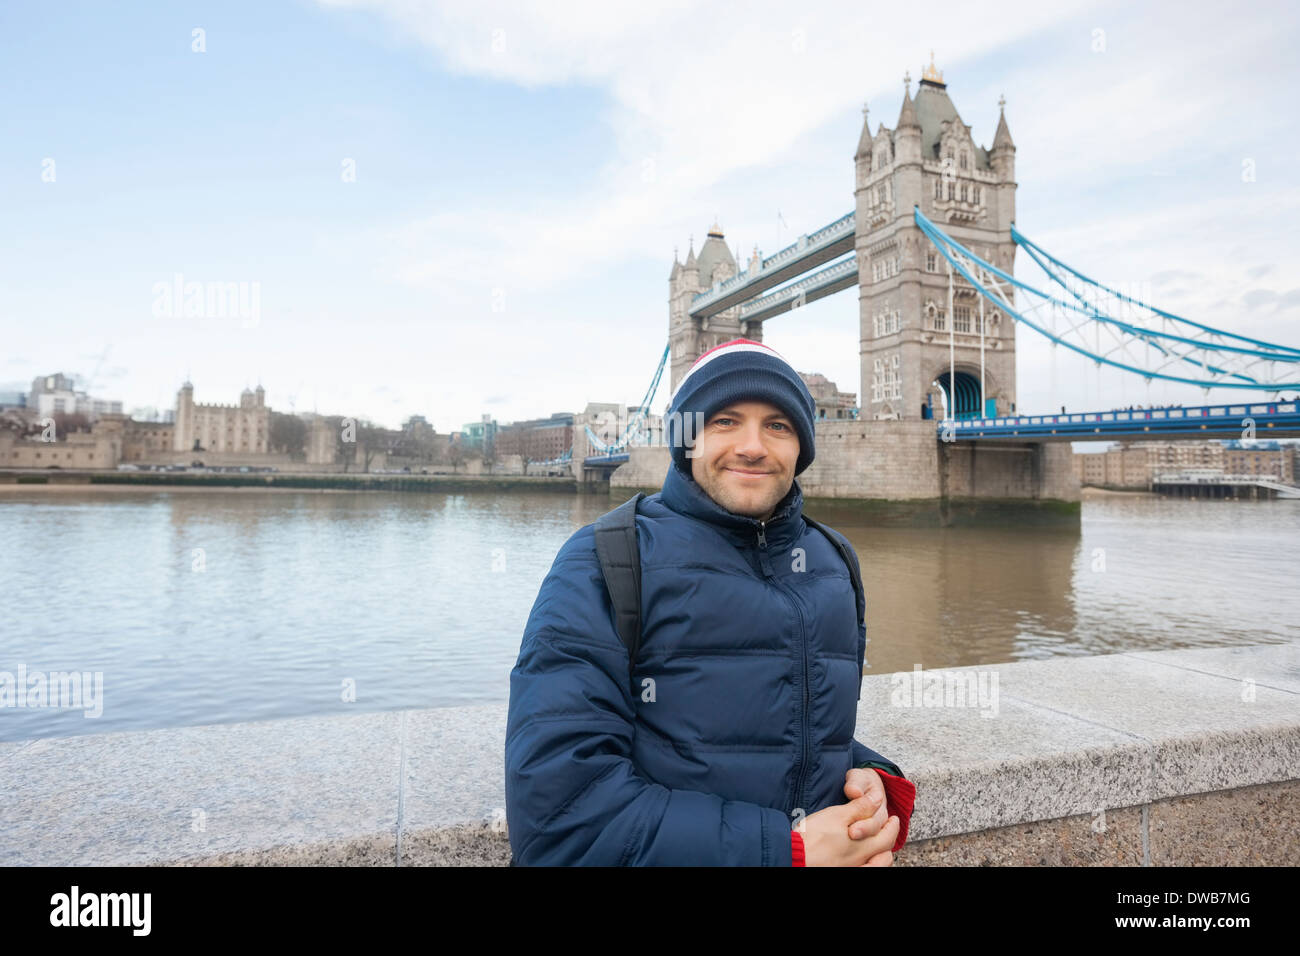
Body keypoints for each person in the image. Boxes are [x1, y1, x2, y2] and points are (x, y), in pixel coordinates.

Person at [505, 338, 915, 866]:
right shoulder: (605, 558)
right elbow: (558, 818)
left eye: (778, 425)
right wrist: (784, 853)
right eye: (724, 421)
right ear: (687, 439)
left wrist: (873, 781)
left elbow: (780, 733)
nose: (753, 446)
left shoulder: (834, 563)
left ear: (801, 447)